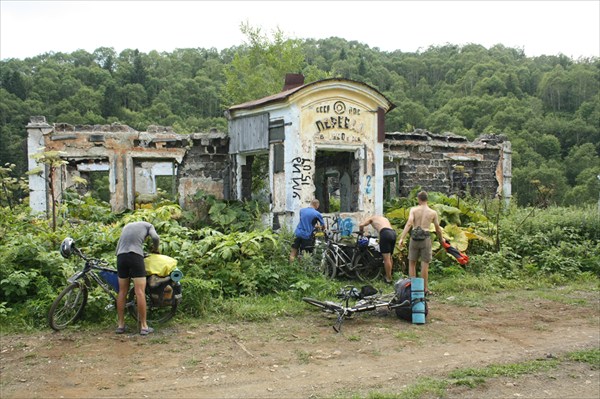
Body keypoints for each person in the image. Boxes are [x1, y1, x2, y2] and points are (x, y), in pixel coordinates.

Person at [115, 221, 160, 335]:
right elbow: (155, 237)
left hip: (121, 257)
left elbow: (117, 248)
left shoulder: (126, 226)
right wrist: (155, 249)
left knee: (122, 291)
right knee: (139, 292)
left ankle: (120, 325)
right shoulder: (149, 225)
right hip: (135, 256)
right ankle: (144, 326)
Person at [398, 191, 444, 294]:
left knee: (412, 263)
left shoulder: (413, 210)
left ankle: (413, 288)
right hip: (425, 238)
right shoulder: (433, 213)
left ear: (418, 199)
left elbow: (409, 223)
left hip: (414, 237)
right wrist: (441, 239)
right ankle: (425, 289)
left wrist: (402, 238)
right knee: (425, 265)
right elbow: (438, 228)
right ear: (427, 199)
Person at [358, 215, 397, 284]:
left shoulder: (371, 218)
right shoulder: (384, 219)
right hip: (393, 233)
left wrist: (361, 233)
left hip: (385, 233)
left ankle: (388, 279)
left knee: (386, 258)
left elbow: (361, 225)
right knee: (390, 257)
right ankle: (390, 274)